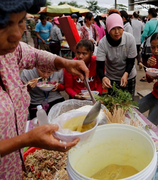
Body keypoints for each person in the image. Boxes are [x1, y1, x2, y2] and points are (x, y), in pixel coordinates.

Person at [0, 0, 90, 178]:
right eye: (3, 25)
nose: (17, 35)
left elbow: (34, 54)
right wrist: (27, 139)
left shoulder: (9, 52)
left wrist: (64, 62)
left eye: (20, 21)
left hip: (14, 170)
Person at [96, 12, 137, 97]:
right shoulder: (103, 43)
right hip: (112, 78)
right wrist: (103, 77)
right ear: (108, 29)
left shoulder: (130, 39)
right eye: (113, 28)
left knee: (128, 103)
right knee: (114, 104)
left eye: (119, 28)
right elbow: (99, 66)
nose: (117, 32)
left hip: (129, 76)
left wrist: (126, 74)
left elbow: (131, 61)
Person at [140, 8, 158, 81]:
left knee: (146, 61)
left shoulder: (148, 23)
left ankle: (148, 75)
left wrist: (141, 42)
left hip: (149, 44)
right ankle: (155, 75)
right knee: (155, 60)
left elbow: (144, 34)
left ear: (149, 14)